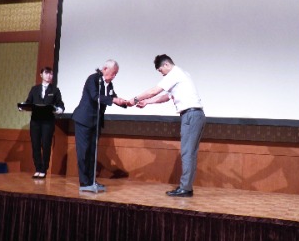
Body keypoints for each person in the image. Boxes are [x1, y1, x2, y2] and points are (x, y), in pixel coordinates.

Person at [128, 54, 205, 197]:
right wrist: (147, 102)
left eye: (160, 70)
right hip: (196, 115)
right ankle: (186, 187)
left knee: (187, 153)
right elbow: (166, 97)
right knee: (190, 153)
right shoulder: (182, 74)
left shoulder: (174, 73)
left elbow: (154, 91)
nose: (161, 73)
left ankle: (186, 188)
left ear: (166, 65)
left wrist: (135, 99)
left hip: (190, 115)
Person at [72, 60, 128, 191]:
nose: (114, 76)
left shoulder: (109, 84)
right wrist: (113, 99)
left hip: (96, 122)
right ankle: (84, 183)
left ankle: (92, 181)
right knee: (83, 152)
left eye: (116, 74)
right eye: (113, 73)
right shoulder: (93, 79)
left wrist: (126, 102)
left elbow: (113, 97)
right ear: (105, 69)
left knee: (93, 152)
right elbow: (95, 96)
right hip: (83, 120)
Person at [22, 66, 65, 179]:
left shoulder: (55, 90)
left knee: (46, 145)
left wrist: (59, 109)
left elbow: (60, 104)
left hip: (48, 122)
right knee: (35, 145)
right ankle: (37, 168)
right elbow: (28, 102)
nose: (49, 76)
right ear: (41, 75)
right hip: (35, 121)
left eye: (51, 74)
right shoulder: (34, 89)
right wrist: (22, 107)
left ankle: (44, 169)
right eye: (46, 73)